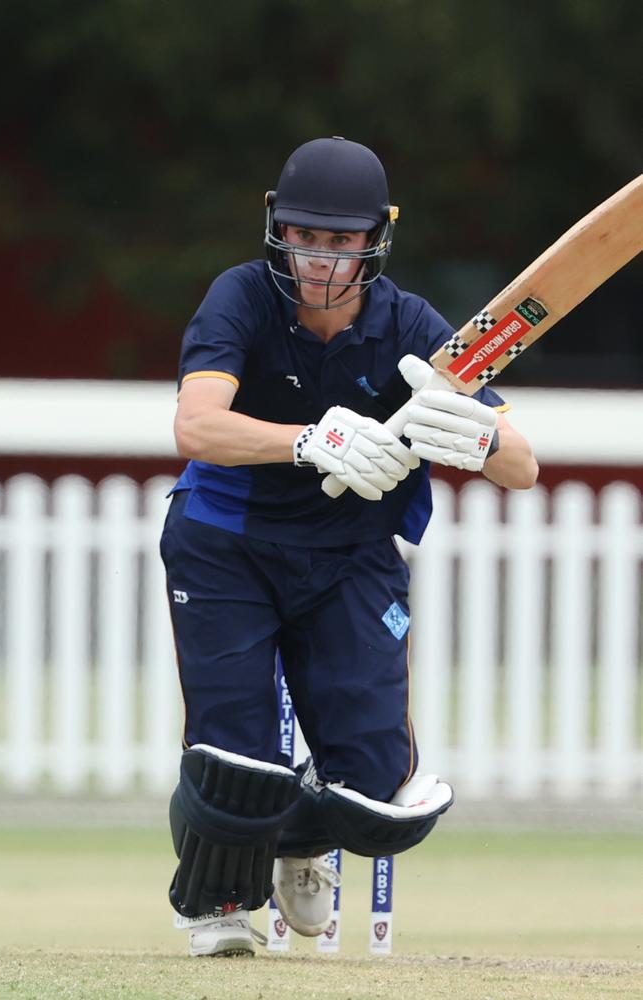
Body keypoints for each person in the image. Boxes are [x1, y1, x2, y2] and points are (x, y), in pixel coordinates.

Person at [161, 136, 538, 957]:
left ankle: (297, 841)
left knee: (374, 790)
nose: (321, 260)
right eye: (305, 237)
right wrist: (307, 441)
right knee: (236, 751)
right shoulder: (241, 299)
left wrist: (474, 435)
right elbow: (195, 424)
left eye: (340, 242)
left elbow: (523, 466)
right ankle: (220, 902)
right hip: (230, 540)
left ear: (375, 238)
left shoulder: (409, 324)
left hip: (352, 556)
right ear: (277, 229)